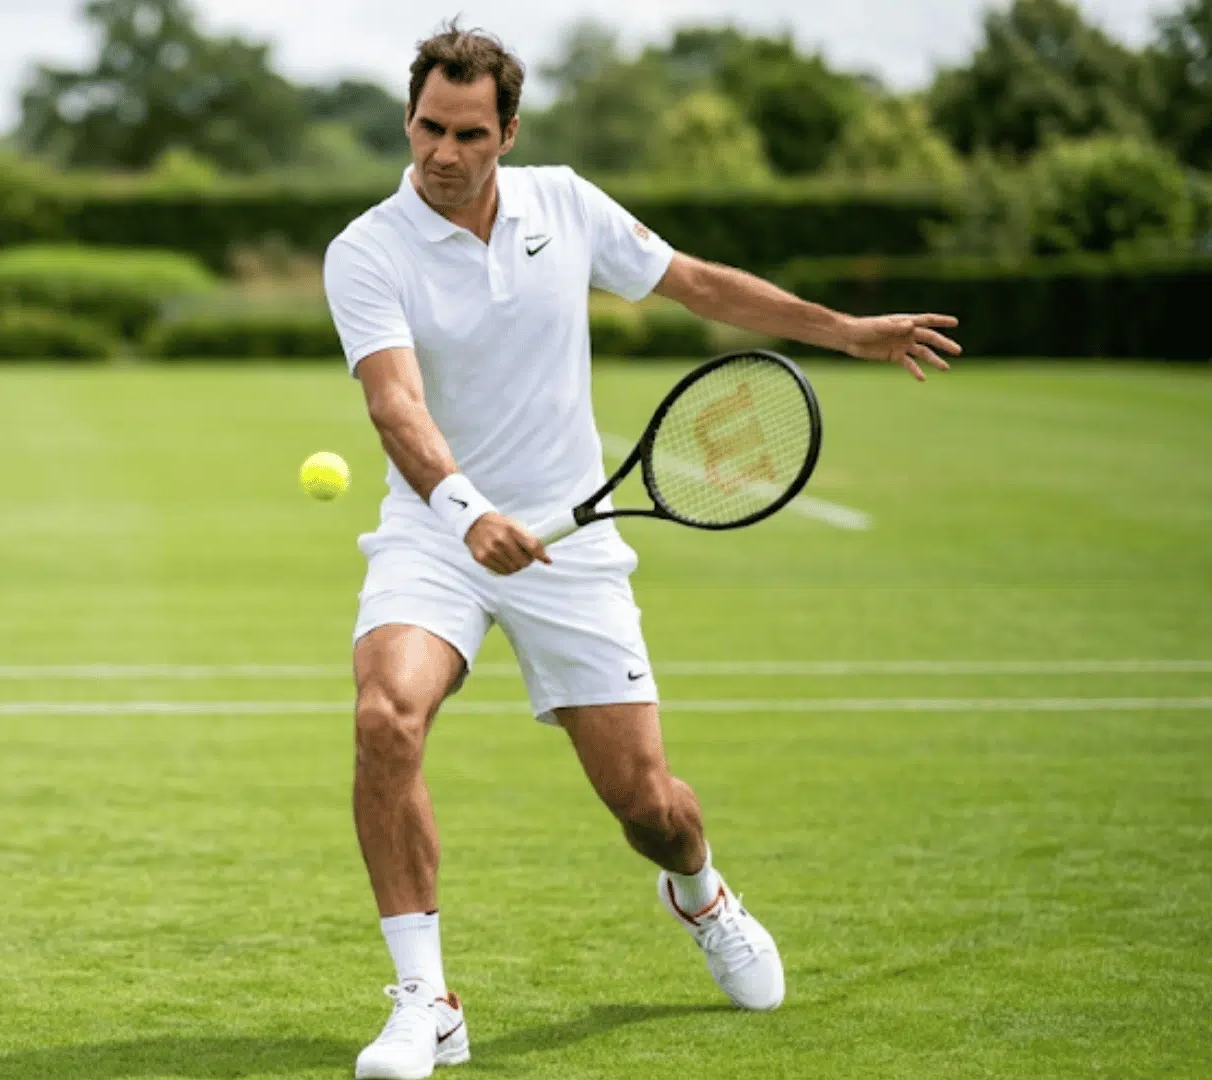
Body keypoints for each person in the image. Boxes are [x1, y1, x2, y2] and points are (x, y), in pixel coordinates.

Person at [325, 22, 960, 1080]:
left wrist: (846, 332)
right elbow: (396, 404)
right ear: (409, 118)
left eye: (467, 132)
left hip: (573, 543)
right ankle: (424, 1002)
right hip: (437, 533)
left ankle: (701, 891)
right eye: (427, 126)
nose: (441, 151)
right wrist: (467, 508)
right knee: (385, 714)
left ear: (508, 133)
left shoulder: (565, 204)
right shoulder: (368, 248)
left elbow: (700, 284)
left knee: (650, 809)